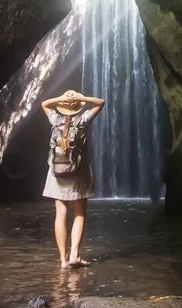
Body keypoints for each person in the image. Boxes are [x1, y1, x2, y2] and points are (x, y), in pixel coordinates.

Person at [41, 89, 105, 269]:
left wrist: (60, 98)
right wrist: (81, 98)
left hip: (56, 173)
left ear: (61, 107)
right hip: (79, 172)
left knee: (60, 215)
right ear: (78, 107)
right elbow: (100, 102)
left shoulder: (54, 119)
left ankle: (63, 260)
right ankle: (75, 255)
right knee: (79, 213)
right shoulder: (84, 120)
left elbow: (44, 104)